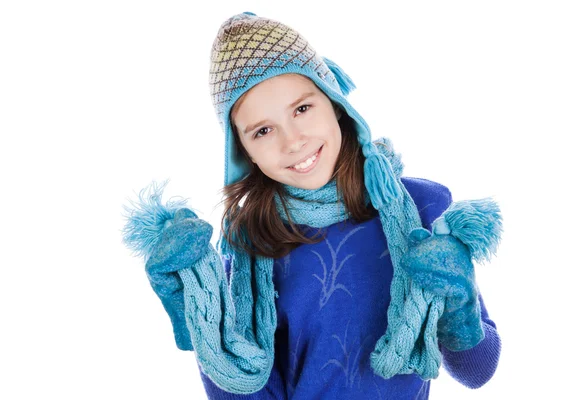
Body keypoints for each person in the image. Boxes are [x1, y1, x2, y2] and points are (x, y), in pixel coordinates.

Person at [121, 11, 503, 399]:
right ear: (244, 152)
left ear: (335, 103)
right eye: (264, 131)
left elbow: (478, 371)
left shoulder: (422, 209)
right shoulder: (253, 252)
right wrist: (200, 312)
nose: (293, 141)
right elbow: (254, 392)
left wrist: (459, 307)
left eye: (302, 109)